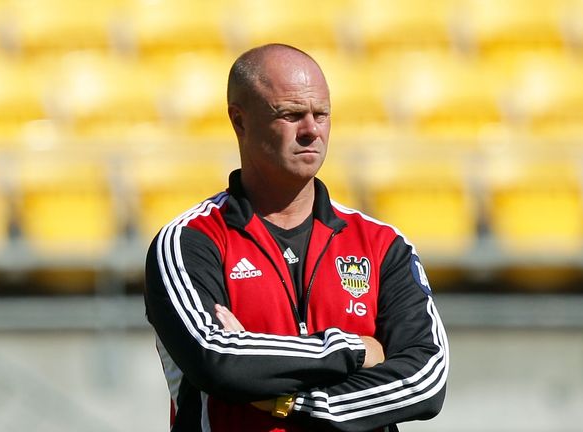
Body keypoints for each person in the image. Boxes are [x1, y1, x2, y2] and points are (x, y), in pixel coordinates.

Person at [144, 43, 448, 432]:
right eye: (290, 114)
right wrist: (355, 348)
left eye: (321, 114)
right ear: (240, 120)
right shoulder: (189, 241)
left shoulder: (381, 244)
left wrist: (288, 402)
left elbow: (425, 380)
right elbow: (217, 359)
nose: (311, 130)